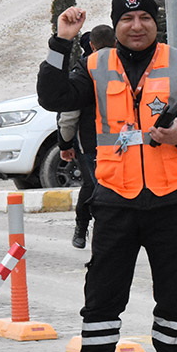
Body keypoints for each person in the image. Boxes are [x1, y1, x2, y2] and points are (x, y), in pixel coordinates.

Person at [39, 0, 177, 352]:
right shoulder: (96, 65)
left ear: (156, 22)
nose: (136, 26)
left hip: (172, 200)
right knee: (101, 302)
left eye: (144, 19)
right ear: (116, 24)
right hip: (115, 200)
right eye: (126, 19)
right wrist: (62, 41)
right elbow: (53, 98)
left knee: (174, 300)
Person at [57, 24, 116, 249]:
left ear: (91, 46)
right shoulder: (127, 65)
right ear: (116, 42)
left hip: (91, 143)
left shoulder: (84, 70)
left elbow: (70, 114)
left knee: (93, 186)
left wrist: (65, 142)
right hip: (124, 141)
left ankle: (84, 229)